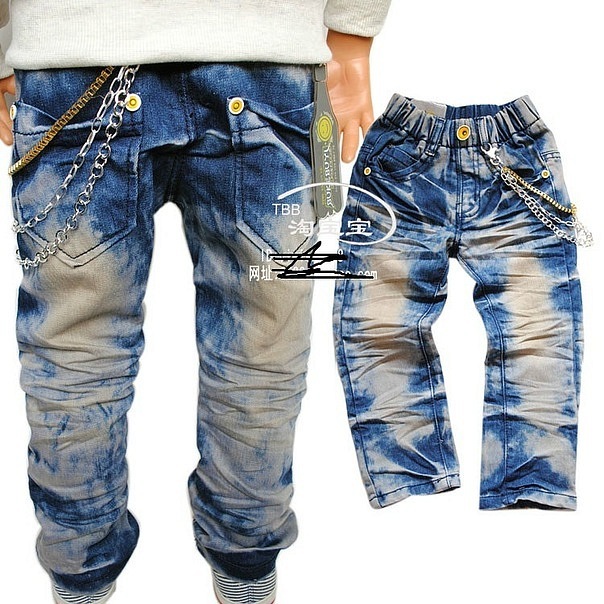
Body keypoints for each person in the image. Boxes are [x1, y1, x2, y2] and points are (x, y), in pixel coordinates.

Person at [0, 2, 391, 603]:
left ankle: (80, 570)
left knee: (76, 353)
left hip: (72, 57)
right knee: (263, 344)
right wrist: (352, 32)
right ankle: (245, 557)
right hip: (268, 61)